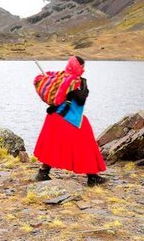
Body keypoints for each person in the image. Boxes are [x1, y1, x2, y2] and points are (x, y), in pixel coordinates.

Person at [33, 56, 107, 186]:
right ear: (77, 67)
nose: (83, 70)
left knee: (54, 145)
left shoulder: (59, 77)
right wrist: (83, 86)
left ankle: (42, 172)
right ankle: (92, 176)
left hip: (55, 116)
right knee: (85, 144)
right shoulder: (75, 82)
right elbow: (81, 99)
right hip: (70, 118)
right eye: (82, 67)